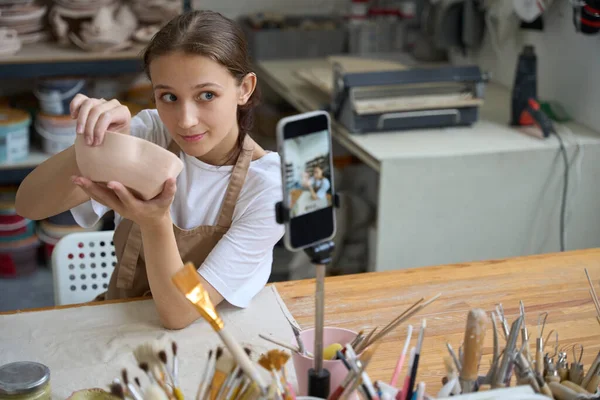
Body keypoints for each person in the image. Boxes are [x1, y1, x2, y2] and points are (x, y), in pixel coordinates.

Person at [15, 10, 285, 330]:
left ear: (245, 89)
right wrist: (94, 145)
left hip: (212, 339)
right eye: (168, 96)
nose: (185, 120)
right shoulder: (152, 135)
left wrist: (155, 222)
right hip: (123, 323)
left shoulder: (269, 190)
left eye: (207, 95)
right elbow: (29, 205)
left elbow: (181, 312)